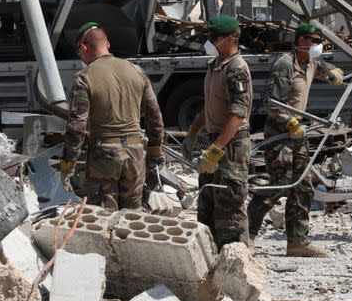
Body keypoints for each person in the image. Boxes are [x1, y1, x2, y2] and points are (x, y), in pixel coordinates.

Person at [247, 23, 343, 257]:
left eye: (319, 42)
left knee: (304, 184)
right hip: (280, 134)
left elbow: (325, 68)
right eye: (313, 40)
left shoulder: (310, 61)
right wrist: (290, 122)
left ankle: (297, 241)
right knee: (281, 182)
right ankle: (246, 233)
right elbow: (271, 102)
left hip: (297, 134)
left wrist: (334, 73)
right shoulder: (285, 65)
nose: (317, 46)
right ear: (301, 41)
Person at [58, 22, 164, 210]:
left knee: (104, 216)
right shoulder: (137, 71)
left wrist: (68, 162)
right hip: (135, 154)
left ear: (83, 47)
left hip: (104, 156)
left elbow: (77, 126)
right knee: (133, 218)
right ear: (107, 44)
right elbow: (154, 116)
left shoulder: (84, 77)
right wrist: (155, 150)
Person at [182, 15, 252, 250]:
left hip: (231, 146)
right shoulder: (216, 65)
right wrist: (194, 132)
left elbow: (237, 115)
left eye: (216, 37)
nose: (211, 41)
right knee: (208, 204)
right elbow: (210, 105)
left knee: (229, 207)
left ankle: (236, 260)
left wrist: (216, 149)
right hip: (217, 142)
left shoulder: (236, 69)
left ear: (231, 38)